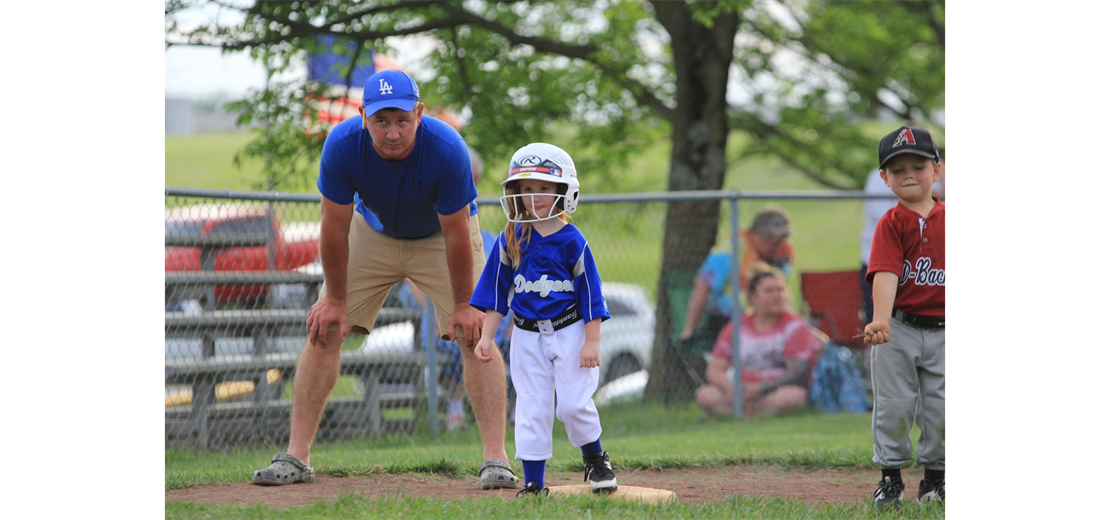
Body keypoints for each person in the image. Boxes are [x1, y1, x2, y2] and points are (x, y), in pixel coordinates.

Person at [251, 69, 518, 490]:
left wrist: (467, 305)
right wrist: (335, 298)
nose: (392, 133)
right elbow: (334, 228)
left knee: (476, 335)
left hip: (438, 238)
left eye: (401, 120)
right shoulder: (342, 144)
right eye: (381, 121)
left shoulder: (448, 148)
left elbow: (457, 234)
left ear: (419, 113)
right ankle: (296, 457)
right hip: (372, 233)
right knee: (325, 328)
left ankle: (496, 460)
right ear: (362, 117)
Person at [470, 143, 616, 497]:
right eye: (526, 189)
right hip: (526, 336)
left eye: (543, 188)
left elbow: (591, 297)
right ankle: (534, 482)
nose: (533, 196)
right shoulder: (511, 237)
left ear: (564, 191)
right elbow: (495, 294)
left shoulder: (573, 241)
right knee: (532, 405)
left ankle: (596, 458)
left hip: (570, 330)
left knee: (572, 403)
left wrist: (591, 342)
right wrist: (486, 338)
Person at [863, 125, 946, 511]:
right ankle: (890, 481)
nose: (909, 174)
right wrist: (881, 319)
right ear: (884, 178)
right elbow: (886, 272)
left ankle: (934, 481)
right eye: (898, 170)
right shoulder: (891, 223)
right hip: (897, 328)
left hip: (944, 331)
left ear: (937, 170)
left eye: (918, 165)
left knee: (941, 408)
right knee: (894, 405)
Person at [695, 267, 823, 418]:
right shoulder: (737, 327)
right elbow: (714, 369)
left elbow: (797, 373)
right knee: (705, 394)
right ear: (752, 297)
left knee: (793, 397)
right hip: (743, 389)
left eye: (780, 290)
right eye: (769, 291)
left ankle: (740, 415)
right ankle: (754, 414)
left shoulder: (795, 326)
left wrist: (760, 388)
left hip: (775, 390)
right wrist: (733, 389)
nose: (777, 296)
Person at [678, 207, 794, 353]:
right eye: (772, 242)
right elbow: (703, 287)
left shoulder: (781, 253)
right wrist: (689, 329)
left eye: (781, 241)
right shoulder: (729, 251)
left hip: (771, 319)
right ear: (756, 235)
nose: (777, 247)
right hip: (730, 320)